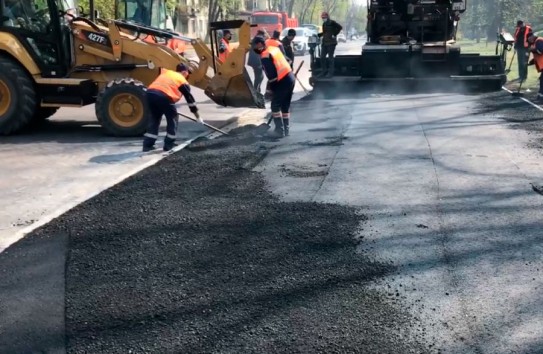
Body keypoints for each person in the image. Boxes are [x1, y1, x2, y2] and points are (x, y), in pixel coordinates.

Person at [143, 63, 201, 152]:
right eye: (188, 74)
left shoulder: (167, 73)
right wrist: (198, 117)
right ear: (185, 72)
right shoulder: (182, 80)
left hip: (150, 94)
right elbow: (190, 101)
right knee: (173, 118)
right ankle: (168, 145)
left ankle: (147, 145)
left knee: (154, 118)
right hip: (163, 96)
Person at [253, 36, 295, 137]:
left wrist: (272, 90)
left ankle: (279, 131)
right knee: (285, 105)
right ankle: (286, 130)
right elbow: (289, 61)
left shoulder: (265, 56)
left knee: (275, 105)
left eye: (254, 45)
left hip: (283, 81)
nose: (254, 48)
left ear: (259, 44)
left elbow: (272, 76)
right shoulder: (274, 49)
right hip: (290, 78)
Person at [318, 11, 343, 77]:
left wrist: (334, 34)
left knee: (330, 58)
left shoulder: (332, 22)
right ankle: (324, 71)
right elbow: (324, 32)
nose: (323, 19)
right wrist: (319, 35)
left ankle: (330, 73)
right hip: (325, 43)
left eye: (324, 17)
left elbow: (340, 27)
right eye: (322, 18)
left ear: (327, 17)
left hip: (331, 43)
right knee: (322, 57)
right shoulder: (324, 24)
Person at [527, 33, 543, 101]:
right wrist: (529, 63)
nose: (529, 41)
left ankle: (541, 96)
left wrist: (532, 50)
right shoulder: (536, 42)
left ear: (531, 37)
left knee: (542, 80)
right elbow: (536, 57)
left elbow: (540, 51)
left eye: (529, 39)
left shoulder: (539, 41)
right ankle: (540, 95)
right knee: (542, 80)